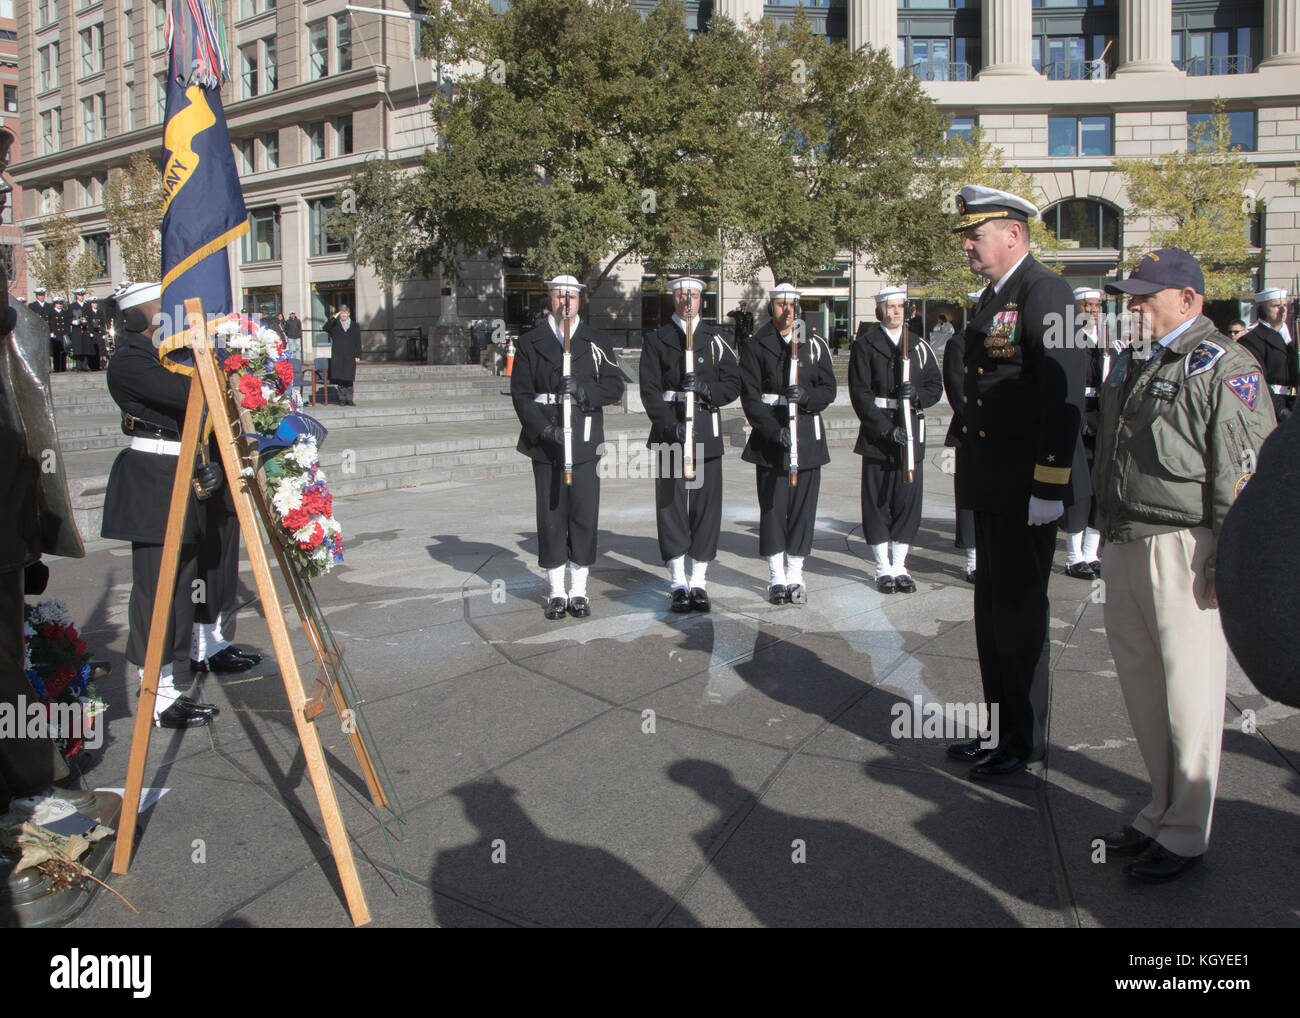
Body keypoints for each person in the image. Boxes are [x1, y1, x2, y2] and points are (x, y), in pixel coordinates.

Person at [1092, 248, 1275, 883]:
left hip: (1185, 550)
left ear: (1189, 301)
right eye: (1130, 295)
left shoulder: (1225, 367)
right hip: (1128, 539)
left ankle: (1186, 833)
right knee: (1145, 692)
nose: (1132, 305)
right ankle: (1159, 810)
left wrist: (1233, 559)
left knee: (1190, 697)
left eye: (1145, 296)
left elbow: (1244, 476)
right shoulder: (1139, 361)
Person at [944, 185, 1085, 780]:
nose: (969, 245)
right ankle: (1000, 730)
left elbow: (1065, 393)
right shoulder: (990, 298)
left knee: (1021, 614)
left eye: (976, 235)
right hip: (991, 482)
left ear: (1014, 234)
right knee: (992, 613)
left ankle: (1024, 741)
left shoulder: (1047, 292)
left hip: (1027, 487)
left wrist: (1049, 487)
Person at [101, 282, 221, 729]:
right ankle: (154, 691)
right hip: (152, 481)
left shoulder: (162, 358)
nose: (166, 314)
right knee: (156, 592)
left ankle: (170, 684)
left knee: (182, 586)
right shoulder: (131, 361)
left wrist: (212, 468)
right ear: (134, 317)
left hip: (180, 475)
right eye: (158, 307)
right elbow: (193, 398)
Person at [510, 275, 625, 620]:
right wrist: (544, 430)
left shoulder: (595, 340)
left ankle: (579, 590)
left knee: (583, 514)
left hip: (584, 438)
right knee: (551, 516)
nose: (566, 303)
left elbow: (615, 386)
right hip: (547, 442)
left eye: (572, 297)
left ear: (580, 300)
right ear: (550, 298)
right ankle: (557, 591)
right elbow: (521, 395)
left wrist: (584, 391)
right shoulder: (531, 342)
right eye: (560, 297)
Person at [639, 276, 741, 612]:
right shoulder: (658, 339)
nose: (688, 302)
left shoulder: (715, 339)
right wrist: (670, 426)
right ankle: (677, 581)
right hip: (672, 434)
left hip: (706, 434)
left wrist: (708, 389)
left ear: (701, 300)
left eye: (694, 296)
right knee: (671, 507)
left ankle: (699, 580)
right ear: (674, 300)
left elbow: (733, 383)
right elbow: (649, 391)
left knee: (705, 507)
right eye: (682, 296)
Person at [740, 282, 836, 605]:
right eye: (780, 304)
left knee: (802, 511)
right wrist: (771, 429)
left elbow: (829, 389)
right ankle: (776, 577)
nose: (787, 310)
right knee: (773, 509)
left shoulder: (812, 344)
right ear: (771, 307)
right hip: (772, 441)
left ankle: (796, 574)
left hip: (806, 438)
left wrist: (808, 397)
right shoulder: (757, 344)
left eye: (792, 304)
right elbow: (751, 398)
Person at [849, 286, 943, 594]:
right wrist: (884, 429)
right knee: (878, 501)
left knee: (906, 501)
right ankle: (881, 567)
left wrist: (917, 396)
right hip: (880, 434)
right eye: (890, 307)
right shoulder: (865, 346)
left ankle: (900, 565)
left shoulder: (917, 346)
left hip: (910, 432)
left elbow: (934, 385)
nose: (896, 311)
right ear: (879, 311)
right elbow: (860, 395)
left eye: (901, 306)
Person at [1062, 286, 1106, 580]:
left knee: (1099, 483)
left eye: (1097, 305)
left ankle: (1092, 551)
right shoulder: (1066, 336)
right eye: (1087, 304)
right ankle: (1073, 555)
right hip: (1076, 413)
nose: (1092, 310)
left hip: (1101, 415)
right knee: (1078, 486)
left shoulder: (1108, 338)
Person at [942, 312, 977, 584]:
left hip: (1001, 430)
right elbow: (956, 388)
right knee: (969, 494)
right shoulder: (959, 343)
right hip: (969, 429)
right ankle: (974, 559)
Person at [1238, 287, 1296, 420]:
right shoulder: (1251, 340)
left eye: (1285, 305)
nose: (1282, 310)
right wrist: (1281, 409)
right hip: (1272, 405)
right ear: (1262, 309)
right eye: (1276, 306)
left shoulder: (1291, 337)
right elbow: (1258, 381)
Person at [326, 304, 361, 406]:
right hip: (338, 356)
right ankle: (341, 399)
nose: (343, 315)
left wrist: (358, 354)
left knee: (349, 378)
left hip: (350, 355)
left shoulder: (354, 325)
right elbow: (325, 327)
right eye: (341, 313)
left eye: (345, 313)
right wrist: (334, 317)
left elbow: (358, 341)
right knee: (340, 379)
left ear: (349, 314)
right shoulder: (335, 325)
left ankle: (349, 399)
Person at [49, 297, 70, 373]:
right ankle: (57, 368)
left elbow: (67, 323)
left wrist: (67, 333)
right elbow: (50, 323)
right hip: (55, 334)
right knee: (56, 352)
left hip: (63, 334)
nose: (59, 305)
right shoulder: (51, 312)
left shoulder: (65, 312)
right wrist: (51, 332)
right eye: (58, 303)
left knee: (63, 352)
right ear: (55, 304)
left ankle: (63, 367)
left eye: (61, 303)